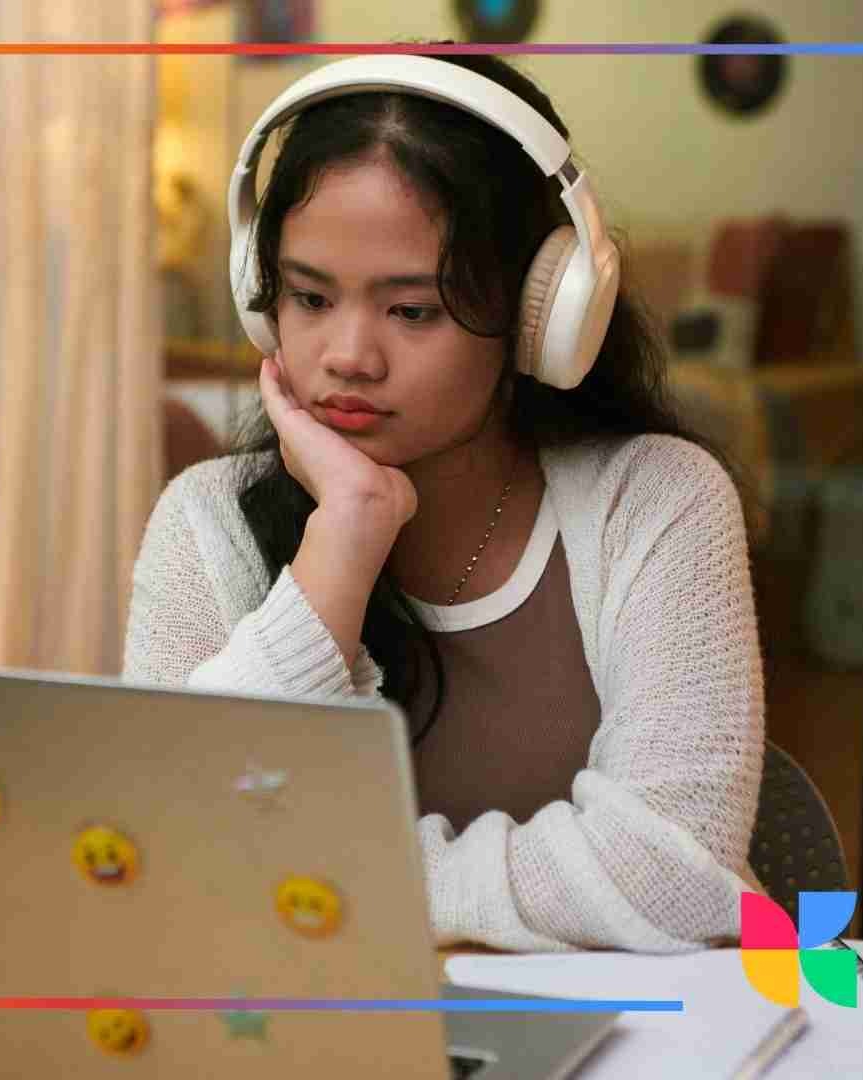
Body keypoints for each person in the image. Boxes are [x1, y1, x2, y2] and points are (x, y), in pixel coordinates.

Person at [123, 52, 765, 953]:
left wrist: (330, 881)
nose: (348, 355)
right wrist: (342, 541)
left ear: (543, 316)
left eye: (413, 311)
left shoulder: (656, 500)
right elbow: (170, 851)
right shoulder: (207, 520)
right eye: (309, 296)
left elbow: (677, 876)